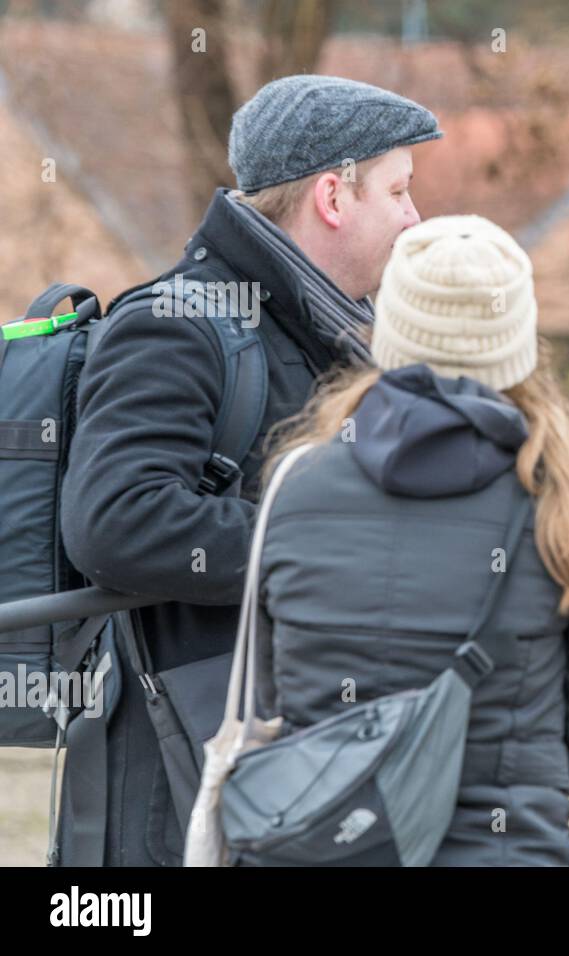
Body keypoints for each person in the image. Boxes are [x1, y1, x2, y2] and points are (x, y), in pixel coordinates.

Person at [56, 74, 445, 867]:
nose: (416, 217)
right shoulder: (179, 324)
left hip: (284, 774)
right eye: (399, 191)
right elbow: (114, 522)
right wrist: (335, 539)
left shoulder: (333, 335)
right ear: (334, 197)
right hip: (174, 790)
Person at [252, 214, 569, 866]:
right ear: (516, 340)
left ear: (389, 333)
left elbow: (272, 696)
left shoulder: (295, 481)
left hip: (319, 846)